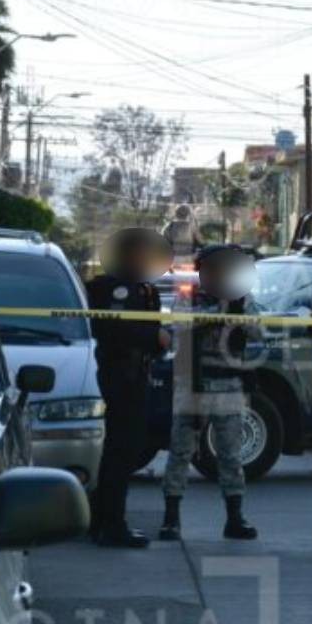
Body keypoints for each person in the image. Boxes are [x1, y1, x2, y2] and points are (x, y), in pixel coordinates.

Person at [159, 244, 261, 542]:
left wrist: (235, 311)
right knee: (180, 452)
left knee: (230, 455)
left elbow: (257, 330)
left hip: (228, 385)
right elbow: (181, 324)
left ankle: (235, 517)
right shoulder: (188, 296)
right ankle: (171, 519)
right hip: (193, 384)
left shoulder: (241, 298)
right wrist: (219, 312)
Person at [85, 228, 172, 549]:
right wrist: (154, 338)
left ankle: (104, 519)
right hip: (120, 374)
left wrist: (158, 341)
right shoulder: (112, 288)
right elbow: (112, 327)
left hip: (137, 374)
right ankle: (111, 524)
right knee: (121, 449)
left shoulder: (144, 288)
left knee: (126, 448)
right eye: (139, 253)